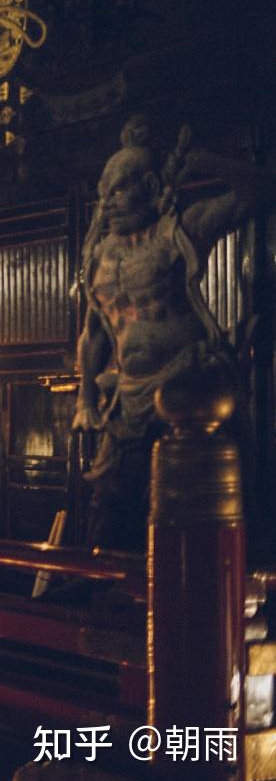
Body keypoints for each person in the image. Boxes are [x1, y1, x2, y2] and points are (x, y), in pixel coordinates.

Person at [73, 116, 271, 549]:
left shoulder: (178, 231)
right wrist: (86, 397)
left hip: (188, 385)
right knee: (111, 502)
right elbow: (94, 334)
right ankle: (112, 591)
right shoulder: (99, 255)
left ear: (148, 185)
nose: (108, 202)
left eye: (120, 189)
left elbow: (258, 192)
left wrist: (208, 161)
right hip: (127, 395)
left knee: (194, 503)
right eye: (104, 192)